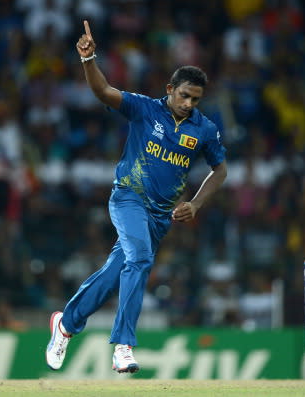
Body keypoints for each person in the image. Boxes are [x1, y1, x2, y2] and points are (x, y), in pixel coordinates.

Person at [46, 20, 227, 374]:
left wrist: (196, 203)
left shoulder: (204, 129)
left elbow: (220, 171)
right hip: (128, 198)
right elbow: (104, 91)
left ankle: (65, 324)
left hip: (161, 217)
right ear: (170, 89)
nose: (188, 103)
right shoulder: (145, 108)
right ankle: (123, 346)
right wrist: (88, 60)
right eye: (184, 95)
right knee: (141, 260)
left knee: (115, 274)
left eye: (195, 99)